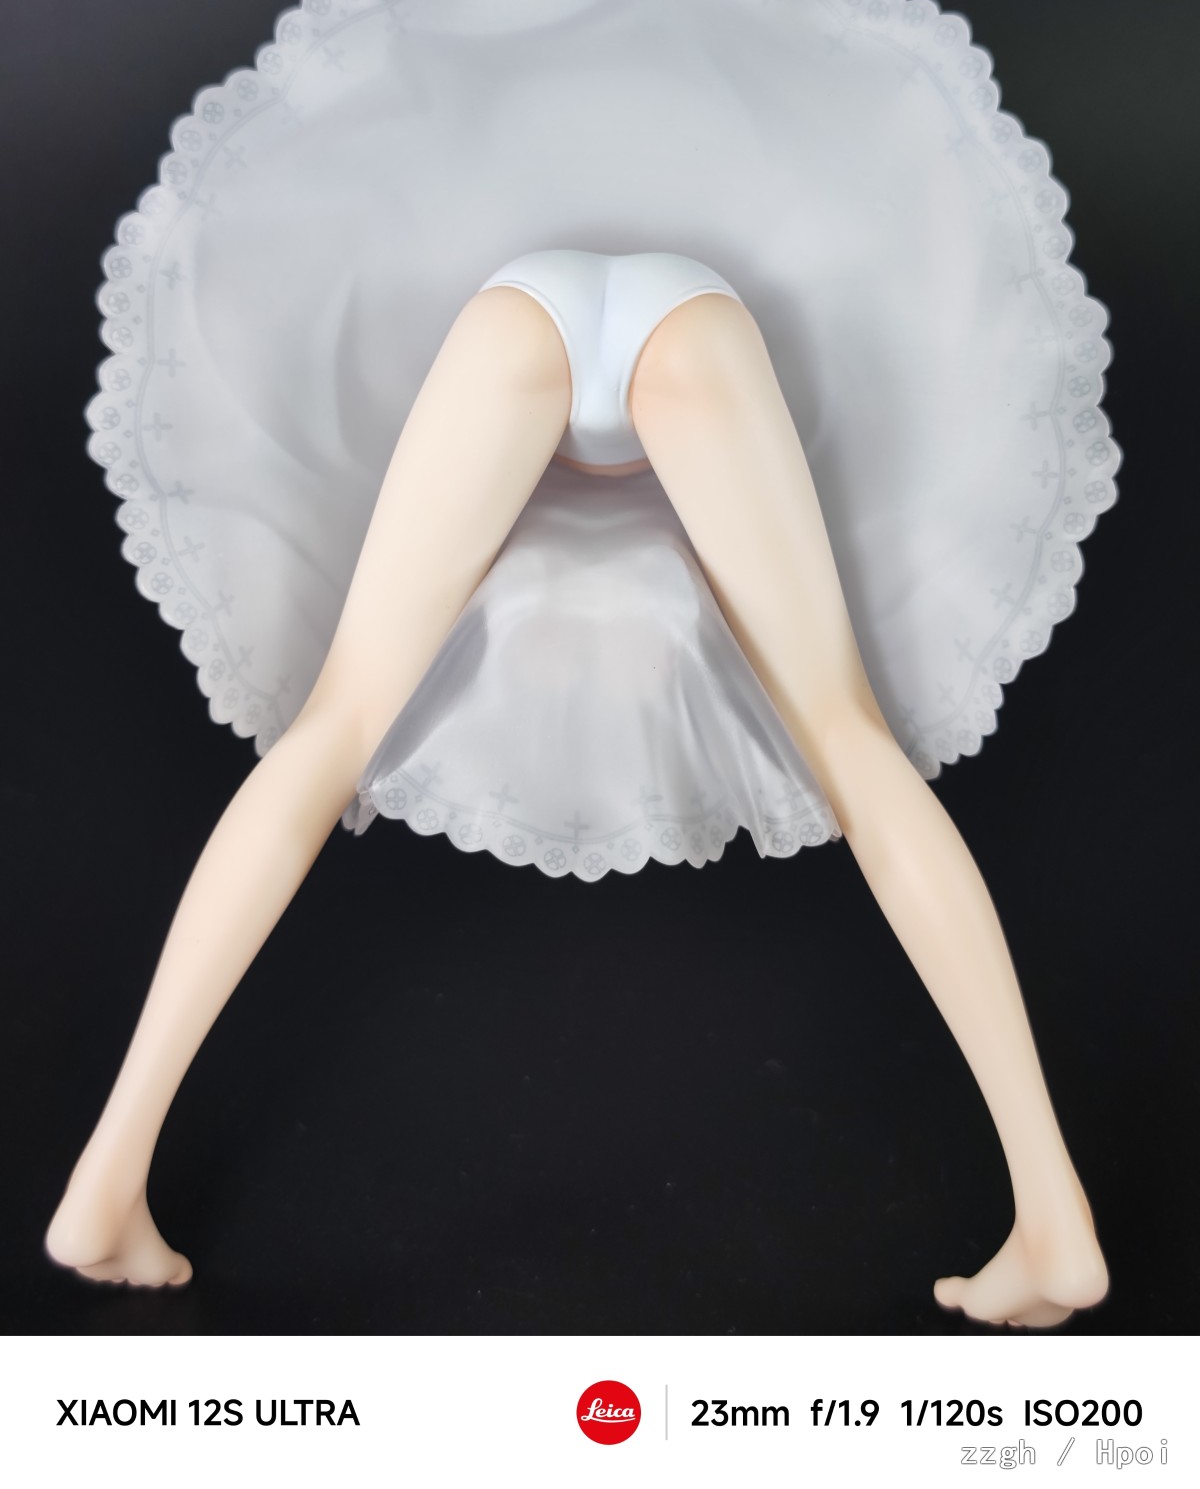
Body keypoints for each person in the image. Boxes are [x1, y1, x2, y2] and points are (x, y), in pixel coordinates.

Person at [46, 247, 1109, 1327]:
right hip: (692, 318)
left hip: (522, 311)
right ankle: (1051, 1211)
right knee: (846, 730)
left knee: (338, 723)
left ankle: (109, 1173)